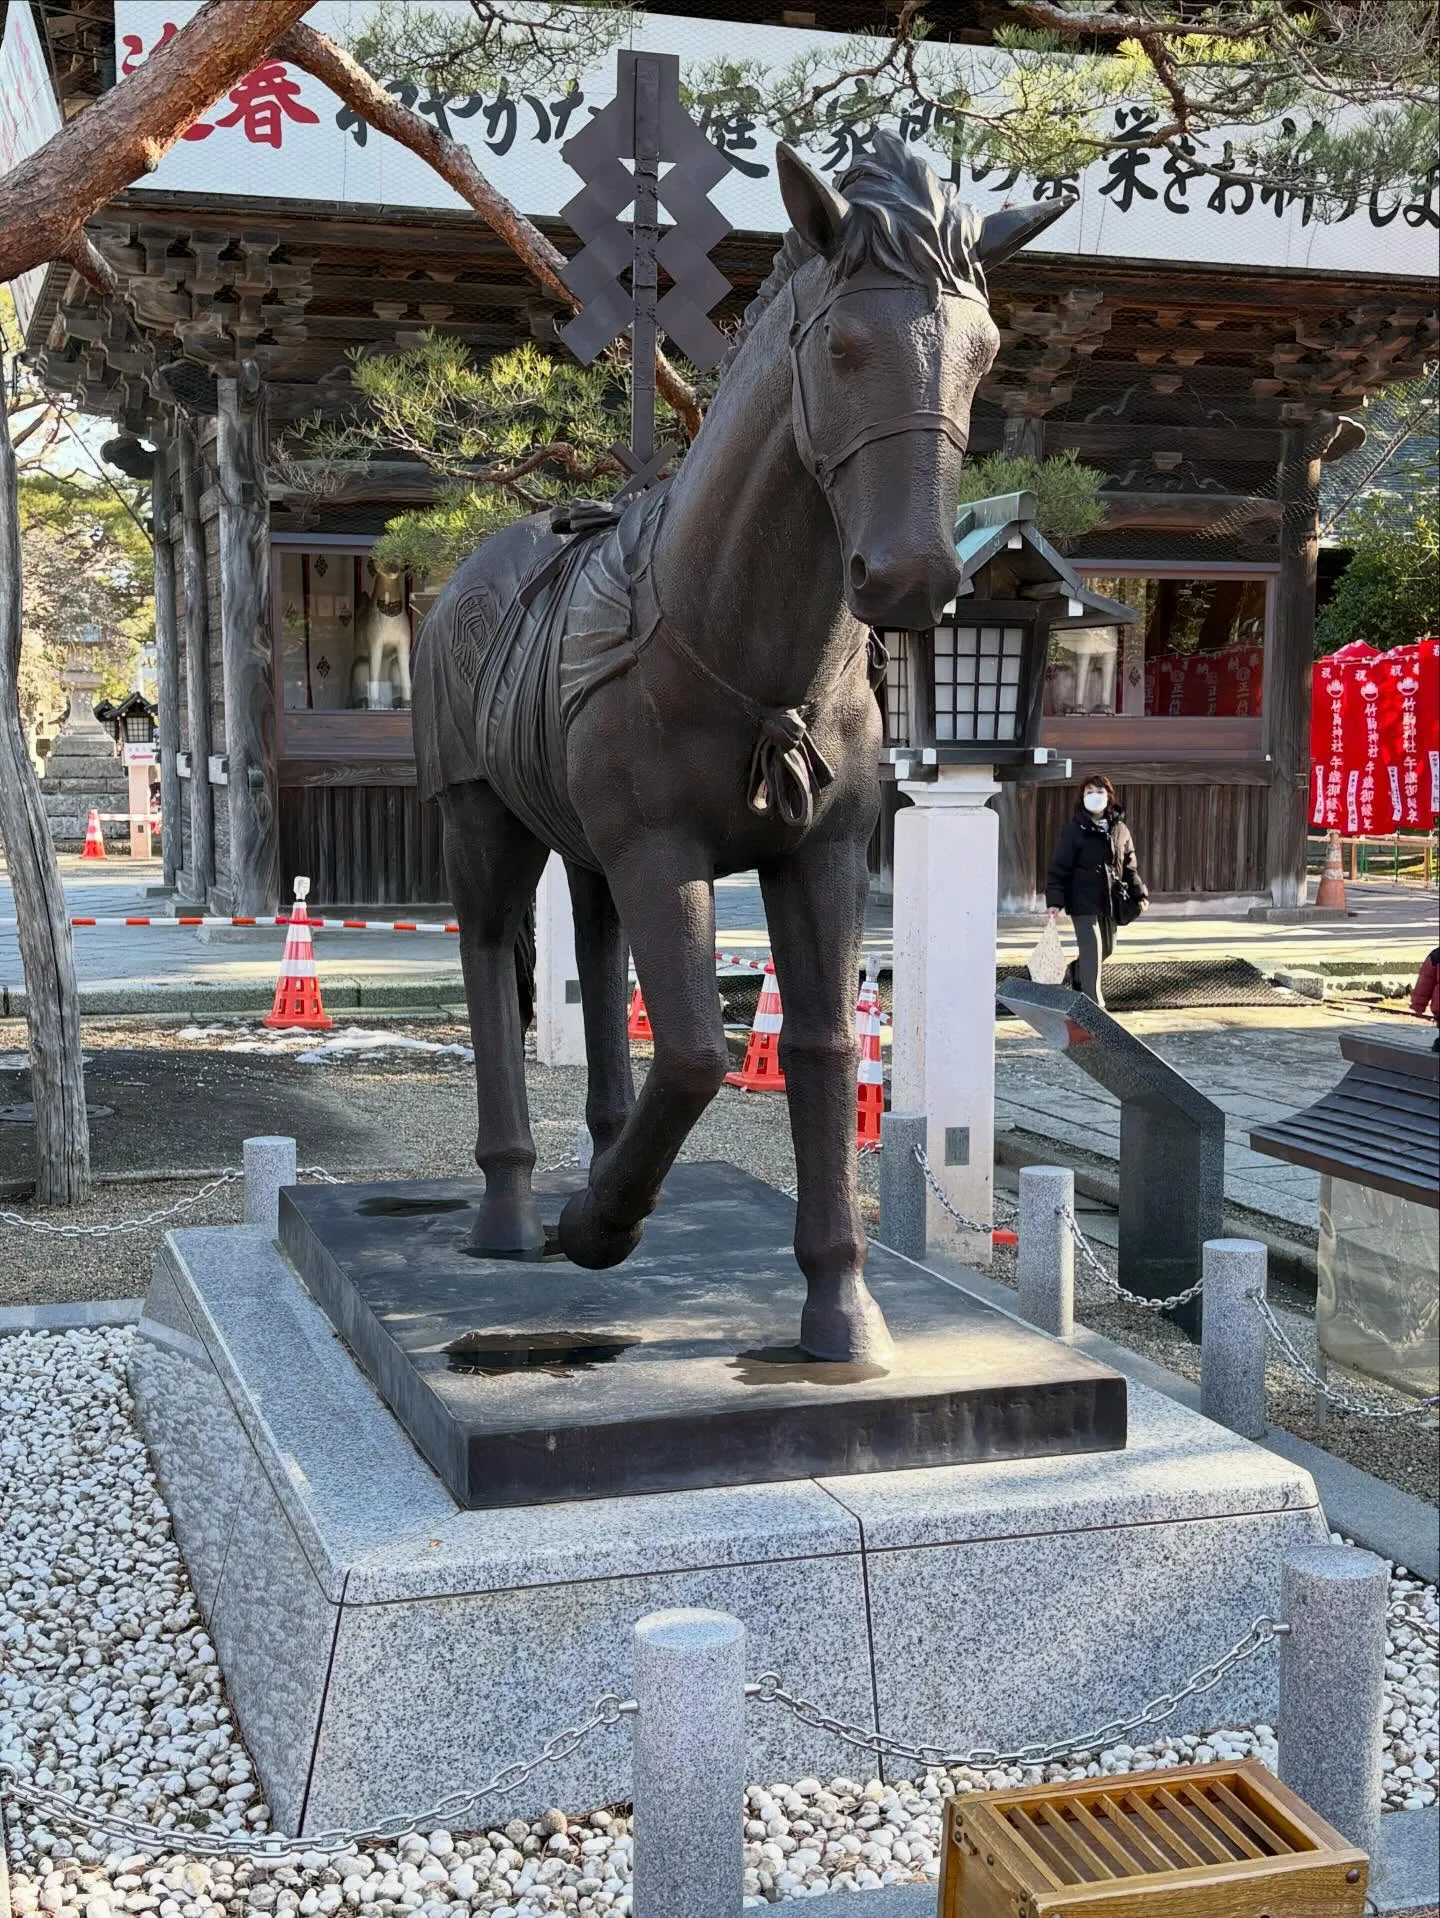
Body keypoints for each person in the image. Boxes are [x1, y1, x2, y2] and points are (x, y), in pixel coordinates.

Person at [1044, 773, 1148, 1008]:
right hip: (1081, 900)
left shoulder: (1120, 829)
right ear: (1082, 797)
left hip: (1109, 901)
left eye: (1099, 792)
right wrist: (1054, 900)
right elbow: (1059, 867)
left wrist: (1139, 893)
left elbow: (1130, 866)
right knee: (1092, 950)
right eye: (1089, 792)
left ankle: (1076, 972)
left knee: (1108, 949)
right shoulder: (1074, 830)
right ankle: (1094, 1006)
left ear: (1109, 797)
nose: (1094, 796)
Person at [1411, 946, 1439, 1050]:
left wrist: (1417, 1005)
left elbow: (1425, 982)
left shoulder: (1436, 955)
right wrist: (1418, 1005)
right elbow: (1425, 981)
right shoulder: (1436, 956)